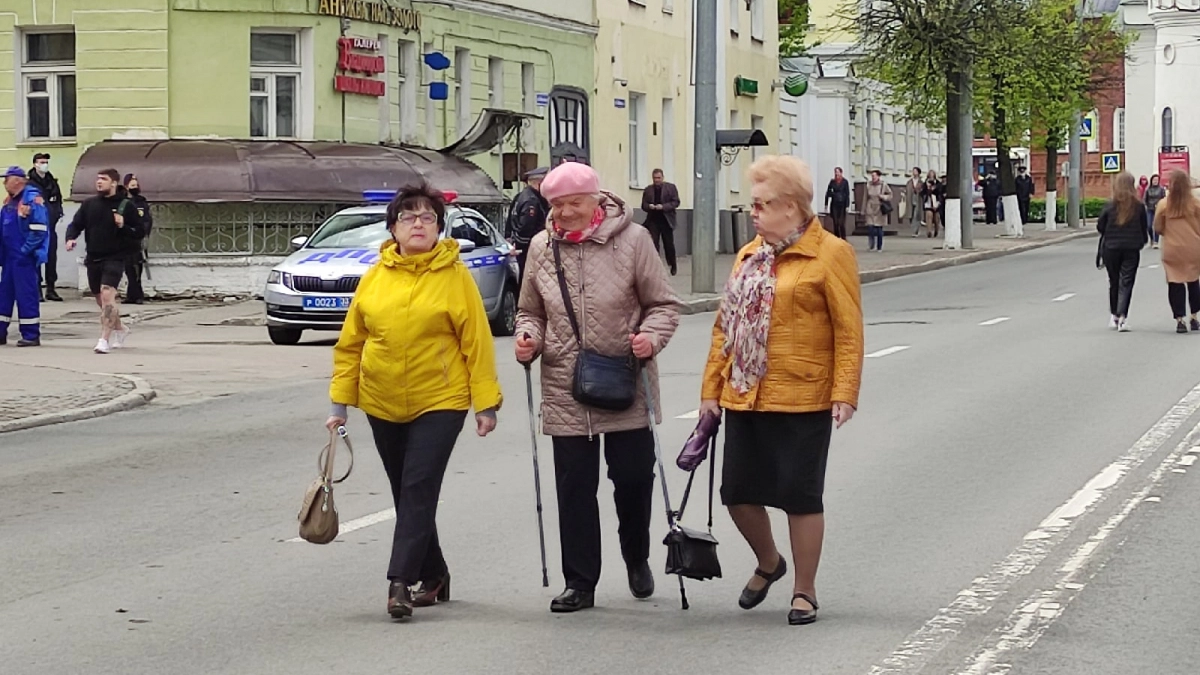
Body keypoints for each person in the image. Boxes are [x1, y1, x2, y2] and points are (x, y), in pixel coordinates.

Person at [700, 155, 864, 626]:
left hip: (805, 394)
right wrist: (711, 389)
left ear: (790, 207)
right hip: (746, 393)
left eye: (761, 204)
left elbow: (848, 330)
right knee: (737, 493)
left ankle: (804, 591)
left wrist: (844, 391)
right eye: (752, 204)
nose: (753, 213)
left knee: (800, 494)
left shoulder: (830, 253)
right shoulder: (749, 254)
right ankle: (769, 561)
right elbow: (724, 329)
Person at [326, 183, 502, 620]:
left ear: (440, 228)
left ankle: (399, 582)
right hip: (382, 399)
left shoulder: (455, 276)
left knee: (419, 486)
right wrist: (339, 404)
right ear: (393, 228)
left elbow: (476, 342)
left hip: (440, 399)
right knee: (407, 494)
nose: (418, 224)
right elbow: (351, 344)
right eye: (408, 217)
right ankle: (436, 572)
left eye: (428, 217)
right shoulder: (374, 276)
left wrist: (485, 403)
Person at [513, 161, 680, 613]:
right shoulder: (542, 248)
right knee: (573, 488)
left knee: (631, 480)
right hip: (566, 384)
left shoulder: (634, 240)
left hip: (625, 378)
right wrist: (528, 338)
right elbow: (530, 310)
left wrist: (651, 338)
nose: (564, 212)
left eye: (574, 203)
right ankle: (580, 581)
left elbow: (663, 305)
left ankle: (636, 556)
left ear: (596, 200)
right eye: (557, 204)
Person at [65, 169, 144, 354]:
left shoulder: (127, 206)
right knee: (101, 300)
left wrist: (123, 226)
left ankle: (104, 339)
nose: (99, 182)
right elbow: (76, 224)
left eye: (104, 179)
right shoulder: (90, 204)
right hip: (93, 256)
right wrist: (70, 238)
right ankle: (121, 329)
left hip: (115, 257)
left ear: (114, 183)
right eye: (98, 179)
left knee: (107, 294)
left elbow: (140, 232)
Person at [0, 167, 49, 347]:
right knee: (3, 296)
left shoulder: (31, 199)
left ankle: (30, 335)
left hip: (23, 258)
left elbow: (39, 229)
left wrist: (24, 250)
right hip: (8, 258)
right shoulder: (10, 201)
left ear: (18, 181)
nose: (4, 183)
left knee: (26, 295)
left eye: (7, 179)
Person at [1096, 171, 1148, 333]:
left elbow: (1100, 227)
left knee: (1114, 281)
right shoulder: (1138, 206)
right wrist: (1141, 241)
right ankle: (1123, 317)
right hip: (1131, 248)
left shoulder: (1110, 205)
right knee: (1126, 282)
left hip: (1111, 248)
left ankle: (1114, 315)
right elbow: (1144, 227)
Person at [1152, 170, 1200, 334]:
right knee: (1193, 281)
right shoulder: (1195, 203)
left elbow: (1157, 227)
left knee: (1175, 282)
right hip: (1193, 247)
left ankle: (1180, 319)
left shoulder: (1164, 204)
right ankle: (1194, 317)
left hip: (1172, 248)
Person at [27, 153, 64, 302]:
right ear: (35, 164)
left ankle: (51, 288)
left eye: (46, 162)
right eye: (42, 162)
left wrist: (57, 214)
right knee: (36, 258)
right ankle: (37, 289)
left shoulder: (52, 182)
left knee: (51, 257)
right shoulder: (30, 184)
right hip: (35, 229)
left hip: (50, 227)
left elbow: (57, 201)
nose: (44, 164)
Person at [505, 167, 550, 283]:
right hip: (529, 250)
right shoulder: (532, 201)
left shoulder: (520, 196)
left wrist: (511, 240)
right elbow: (526, 227)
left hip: (521, 248)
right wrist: (521, 245)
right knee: (529, 281)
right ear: (540, 183)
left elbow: (509, 222)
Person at [640, 168, 680, 276]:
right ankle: (656, 266)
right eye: (655, 178)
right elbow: (643, 205)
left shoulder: (670, 188)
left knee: (668, 244)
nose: (657, 180)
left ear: (663, 177)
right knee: (653, 243)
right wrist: (649, 206)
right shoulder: (648, 190)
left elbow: (676, 202)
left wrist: (663, 207)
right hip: (653, 220)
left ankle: (673, 264)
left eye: (659, 178)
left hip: (666, 220)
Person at [122, 174, 153, 304]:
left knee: (138, 266)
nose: (134, 187)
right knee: (128, 267)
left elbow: (147, 220)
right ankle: (132, 295)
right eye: (131, 184)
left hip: (138, 240)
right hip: (126, 239)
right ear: (126, 186)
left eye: (136, 184)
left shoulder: (141, 202)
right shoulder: (123, 202)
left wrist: (143, 234)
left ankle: (137, 295)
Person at [864, 169, 892, 252]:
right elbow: (865, 197)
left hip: (880, 207)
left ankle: (879, 247)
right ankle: (871, 245)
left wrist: (883, 197)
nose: (873, 177)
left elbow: (890, 194)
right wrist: (863, 209)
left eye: (874, 176)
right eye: (872, 176)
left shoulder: (883, 185)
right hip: (870, 207)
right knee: (870, 228)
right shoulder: (868, 185)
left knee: (879, 228)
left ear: (878, 176)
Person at [824, 167, 851, 240]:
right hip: (834, 204)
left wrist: (847, 205)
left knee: (841, 223)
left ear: (841, 173)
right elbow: (828, 193)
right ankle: (837, 237)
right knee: (835, 223)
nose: (836, 173)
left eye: (838, 172)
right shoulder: (832, 182)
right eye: (835, 172)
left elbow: (847, 194)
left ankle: (843, 237)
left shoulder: (845, 182)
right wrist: (826, 204)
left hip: (842, 204)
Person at [1144, 174, 1166, 250]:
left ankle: (1156, 241)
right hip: (1150, 209)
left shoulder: (1161, 189)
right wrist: (1146, 205)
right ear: (1151, 180)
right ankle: (1152, 239)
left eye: (1157, 180)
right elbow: (1145, 199)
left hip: (1158, 209)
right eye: (1154, 180)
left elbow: (1164, 199)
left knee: (1157, 225)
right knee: (1149, 226)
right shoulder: (1148, 189)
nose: (1155, 181)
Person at [905, 167, 924, 237]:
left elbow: (923, 190)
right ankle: (914, 228)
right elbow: (907, 190)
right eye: (913, 171)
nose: (914, 172)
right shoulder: (909, 182)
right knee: (911, 215)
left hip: (918, 199)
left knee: (917, 215)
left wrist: (919, 190)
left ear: (918, 173)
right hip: (910, 199)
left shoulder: (921, 182)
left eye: (915, 171)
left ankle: (915, 231)